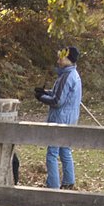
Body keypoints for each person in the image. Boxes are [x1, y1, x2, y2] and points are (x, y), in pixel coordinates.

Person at [34, 45, 82, 190]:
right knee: (65, 150)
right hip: (70, 118)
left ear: (68, 59)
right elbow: (59, 94)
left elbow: (57, 101)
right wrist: (45, 92)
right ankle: (68, 181)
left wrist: (41, 97)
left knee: (52, 153)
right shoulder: (72, 74)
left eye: (61, 57)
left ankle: (53, 186)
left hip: (60, 119)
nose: (58, 60)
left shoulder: (67, 76)